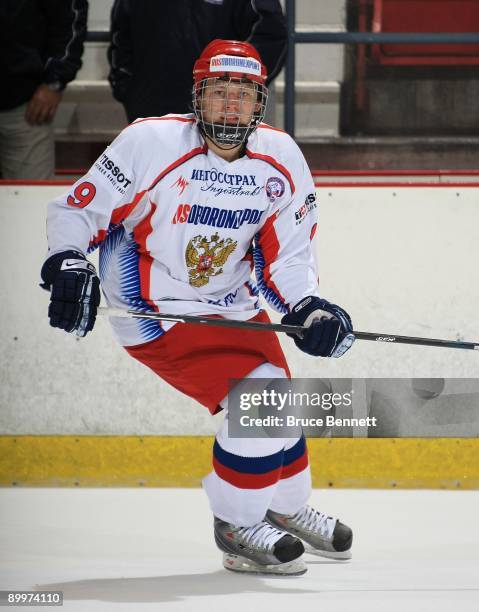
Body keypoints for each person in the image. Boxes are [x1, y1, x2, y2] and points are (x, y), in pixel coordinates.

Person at [41, 39, 355, 576]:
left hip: (234, 306)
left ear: (261, 101)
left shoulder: (281, 158)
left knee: (283, 406)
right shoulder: (150, 141)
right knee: (260, 401)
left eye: (244, 93)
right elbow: (78, 211)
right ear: (198, 95)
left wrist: (309, 308)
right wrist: (68, 262)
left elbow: (290, 254)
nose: (231, 105)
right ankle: (236, 526)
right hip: (156, 308)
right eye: (219, 91)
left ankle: (285, 507)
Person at [107, 0, 287, 122]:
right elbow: (121, 33)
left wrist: (240, 93)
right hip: (148, 110)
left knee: (216, 177)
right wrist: (126, 89)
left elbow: (271, 36)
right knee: (148, 177)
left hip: (220, 117)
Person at [0, 0, 88, 180]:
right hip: (24, 98)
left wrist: (54, 82)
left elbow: (69, 19)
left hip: (25, 107)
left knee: (30, 198)